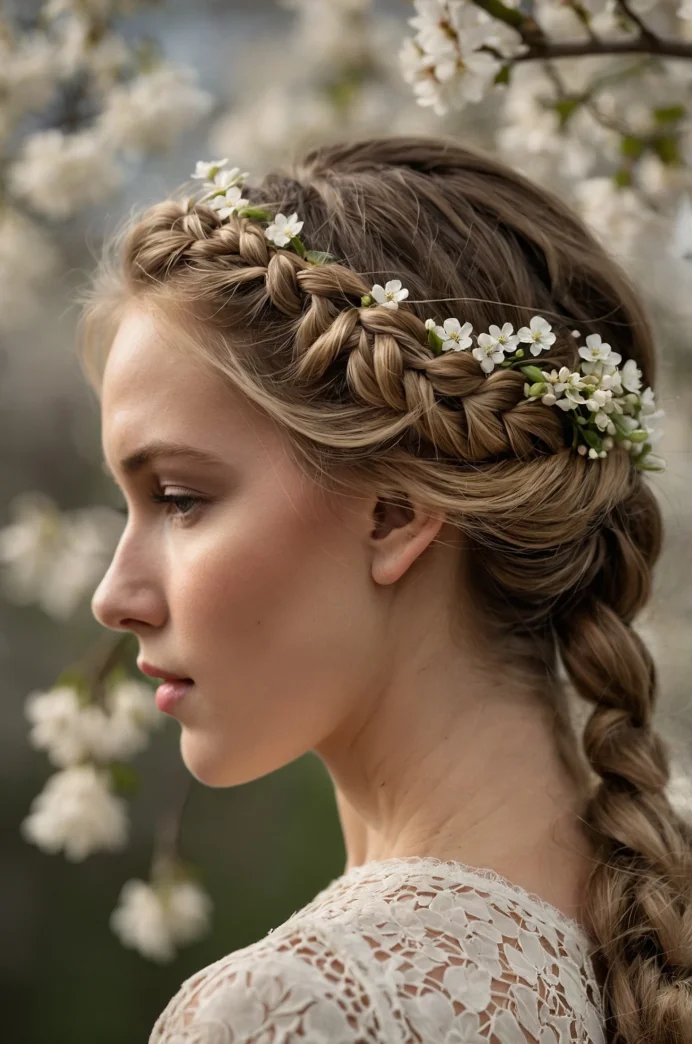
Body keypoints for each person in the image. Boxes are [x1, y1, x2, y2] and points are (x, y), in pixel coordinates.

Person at [82, 134, 692, 1043]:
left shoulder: (295, 1011)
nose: (112, 595)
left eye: (179, 499)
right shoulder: (662, 913)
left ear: (395, 516)